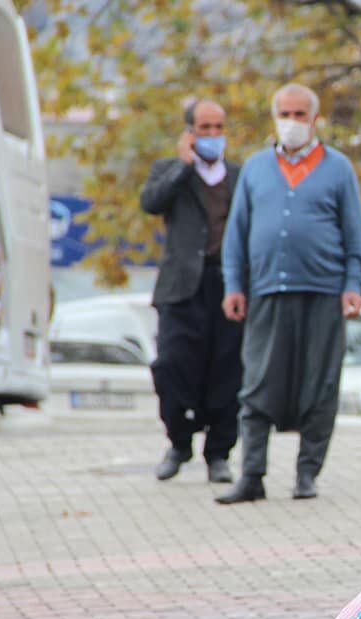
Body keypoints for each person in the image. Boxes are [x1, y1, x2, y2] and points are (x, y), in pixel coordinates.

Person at [216, 83, 361, 504]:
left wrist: (353, 284)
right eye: (286, 114)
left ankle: (307, 474)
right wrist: (234, 285)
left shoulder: (338, 168)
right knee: (256, 385)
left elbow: (355, 234)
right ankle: (252, 475)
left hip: (323, 292)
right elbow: (237, 235)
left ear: (315, 119)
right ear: (275, 117)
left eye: (301, 115)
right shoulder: (255, 168)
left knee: (320, 386)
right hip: (267, 291)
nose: (292, 122)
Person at [139, 100, 242, 484]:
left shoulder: (239, 175)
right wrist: (184, 165)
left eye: (219, 127)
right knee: (170, 367)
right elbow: (151, 203)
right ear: (189, 132)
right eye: (205, 128)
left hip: (227, 285)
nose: (213, 135)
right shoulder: (168, 170)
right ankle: (178, 443)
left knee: (227, 373)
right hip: (181, 286)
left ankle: (218, 454)